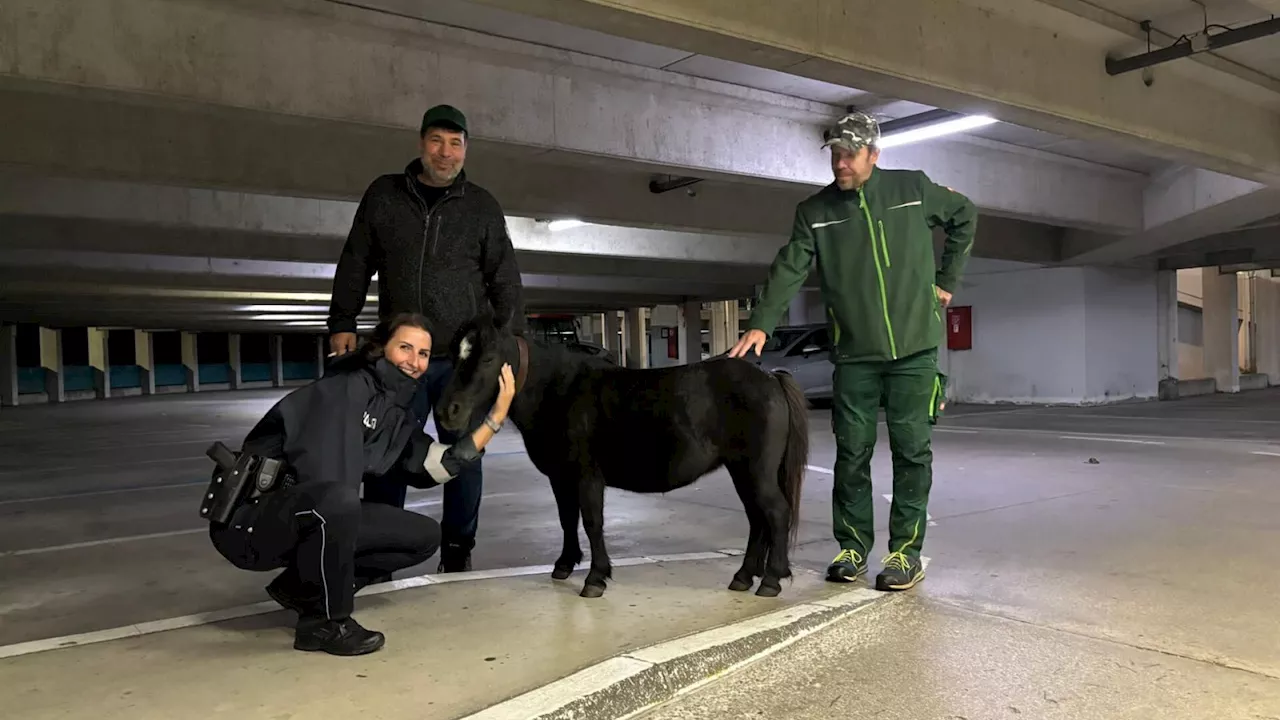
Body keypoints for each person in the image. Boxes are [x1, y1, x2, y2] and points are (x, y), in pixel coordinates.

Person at [729, 111, 976, 592]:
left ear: (873, 155)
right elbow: (790, 267)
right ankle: (853, 547)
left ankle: (905, 552)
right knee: (852, 453)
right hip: (855, 355)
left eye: (849, 154)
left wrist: (946, 283)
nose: (840, 163)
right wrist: (761, 323)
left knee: (911, 451)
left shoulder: (912, 190)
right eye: (835, 155)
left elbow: (965, 216)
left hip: (914, 351)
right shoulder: (816, 211)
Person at [207, 313, 516, 655]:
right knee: (338, 500)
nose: (414, 361)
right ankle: (324, 623)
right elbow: (325, 483)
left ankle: (301, 589)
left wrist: (496, 417)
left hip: (310, 512)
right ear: (381, 347)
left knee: (422, 537)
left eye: (423, 354)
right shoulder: (346, 389)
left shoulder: (394, 412)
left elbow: (435, 465)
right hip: (249, 522)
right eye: (405, 348)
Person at [326, 104, 525, 573]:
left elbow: (505, 280)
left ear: (465, 150)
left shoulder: (481, 206)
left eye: (456, 143)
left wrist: (509, 343)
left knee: (466, 454)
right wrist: (342, 323)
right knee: (384, 455)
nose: (446, 152)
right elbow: (356, 261)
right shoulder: (384, 196)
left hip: (461, 362)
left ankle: (457, 551)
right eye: (437, 141)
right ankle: (376, 552)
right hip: (400, 359)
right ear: (421, 143)